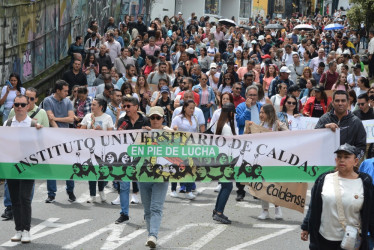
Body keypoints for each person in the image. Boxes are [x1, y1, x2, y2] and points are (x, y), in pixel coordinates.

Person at [301, 143, 374, 249]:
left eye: (346, 157)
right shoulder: (323, 179)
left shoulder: (365, 182)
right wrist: (306, 227)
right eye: (339, 157)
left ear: (355, 161)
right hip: (324, 240)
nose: (342, 160)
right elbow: (314, 206)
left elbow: (371, 212)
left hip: (351, 241)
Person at [5, 94, 42, 243]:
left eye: (22, 104)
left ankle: (26, 230)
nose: (19, 107)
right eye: (16, 105)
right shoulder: (7, 124)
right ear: (13, 106)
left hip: (28, 166)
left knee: (24, 198)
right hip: (11, 166)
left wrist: (41, 132)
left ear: (27, 106)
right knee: (14, 199)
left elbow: (42, 145)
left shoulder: (33, 124)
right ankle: (18, 229)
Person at [139, 106, 171, 248]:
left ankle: (153, 235)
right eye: (153, 117)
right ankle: (150, 234)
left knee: (156, 207)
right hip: (144, 174)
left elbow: (181, 144)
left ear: (163, 119)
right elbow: (134, 150)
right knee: (147, 209)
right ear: (149, 119)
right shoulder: (143, 133)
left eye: (158, 117)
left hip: (162, 175)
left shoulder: (169, 132)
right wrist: (143, 136)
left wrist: (167, 132)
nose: (155, 120)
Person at [115, 96, 150, 224]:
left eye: (128, 106)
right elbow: (116, 139)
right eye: (124, 106)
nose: (126, 108)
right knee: (124, 186)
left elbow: (153, 139)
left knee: (145, 186)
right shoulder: (122, 121)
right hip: (126, 158)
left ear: (136, 107)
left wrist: (149, 131)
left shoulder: (145, 120)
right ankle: (124, 213)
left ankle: (148, 213)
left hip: (142, 158)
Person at [43, 80, 75, 203]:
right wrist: (58, 133)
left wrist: (56, 118)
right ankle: (51, 194)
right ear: (58, 90)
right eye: (65, 91)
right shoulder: (48, 101)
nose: (67, 93)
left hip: (65, 136)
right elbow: (51, 120)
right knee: (52, 166)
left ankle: (70, 191)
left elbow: (71, 119)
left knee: (69, 165)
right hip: (52, 137)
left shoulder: (68, 101)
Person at [253, 104, 287, 219]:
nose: (261, 115)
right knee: (263, 184)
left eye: (263, 112)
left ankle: (278, 209)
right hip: (263, 160)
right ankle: (265, 210)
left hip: (275, 160)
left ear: (269, 113)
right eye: (260, 112)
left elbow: (290, 135)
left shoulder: (278, 124)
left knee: (274, 185)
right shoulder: (260, 125)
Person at [315, 90, 366, 159]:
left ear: (348, 102)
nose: (340, 103)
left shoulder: (356, 122)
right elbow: (314, 139)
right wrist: (324, 127)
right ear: (332, 103)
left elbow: (361, 146)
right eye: (337, 101)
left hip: (347, 165)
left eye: (343, 101)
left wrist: (353, 160)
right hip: (327, 164)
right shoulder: (324, 119)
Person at [80, 98, 114, 203]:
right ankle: (92, 195)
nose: (92, 106)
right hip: (90, 148)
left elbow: (110, 134)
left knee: (102, 171)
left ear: (101, 107)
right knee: (91, 170)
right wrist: (91, 130)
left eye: (94, 104)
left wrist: (101, 131)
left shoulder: (107, 118)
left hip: (102, 148)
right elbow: (81, 131)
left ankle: (101, 190)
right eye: (92, 104)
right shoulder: (87, 117)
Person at [212, 103, 237, 224]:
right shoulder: (226, 127)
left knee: (224, 185)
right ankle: (219, 212)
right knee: (228, 186)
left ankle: (217, 210)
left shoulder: (218, 124)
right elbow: (230, 145)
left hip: (219, 159)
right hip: (225, 160)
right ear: (230, 113)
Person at [170, 100, 199, 200]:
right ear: (185, 107)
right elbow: (170, 131)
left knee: (190, 168)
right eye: (190, 108)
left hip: (191, 147)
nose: (192, 110)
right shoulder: (178, 118)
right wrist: (174, 129)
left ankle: (188, 191)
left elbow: (196, 131)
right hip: (179, 146)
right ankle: (173, 190)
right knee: (177, 168)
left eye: (193, 108)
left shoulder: (194, 118)